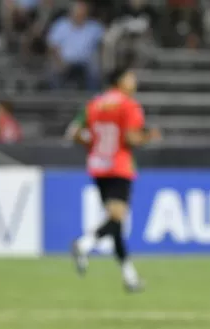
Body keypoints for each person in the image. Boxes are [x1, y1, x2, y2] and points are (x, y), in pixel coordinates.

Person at [69, 68, 160, 293]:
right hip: (119, 166)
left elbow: (74, 133)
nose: (134, 81)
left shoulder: (93, 104)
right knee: (117, 217)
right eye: (130, 77)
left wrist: (94, 146)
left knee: (115, 224)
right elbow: (131, 137)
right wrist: (148, 137)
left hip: (98, 166)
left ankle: (130, 277)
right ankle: (84, 244)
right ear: (120, 81)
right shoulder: (129, 105)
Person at [47, 0, 105, 90]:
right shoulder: (60, 25)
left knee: (95, 72)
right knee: (55, 72)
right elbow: (52, 46)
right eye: (78, 11)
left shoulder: (95, 27)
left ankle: (91, 99)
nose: (80, 14)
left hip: (87, 63)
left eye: (83, 12)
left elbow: (103, 45)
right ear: (72, 12)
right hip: (65, 62)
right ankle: (57, 99)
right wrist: (59, 61)